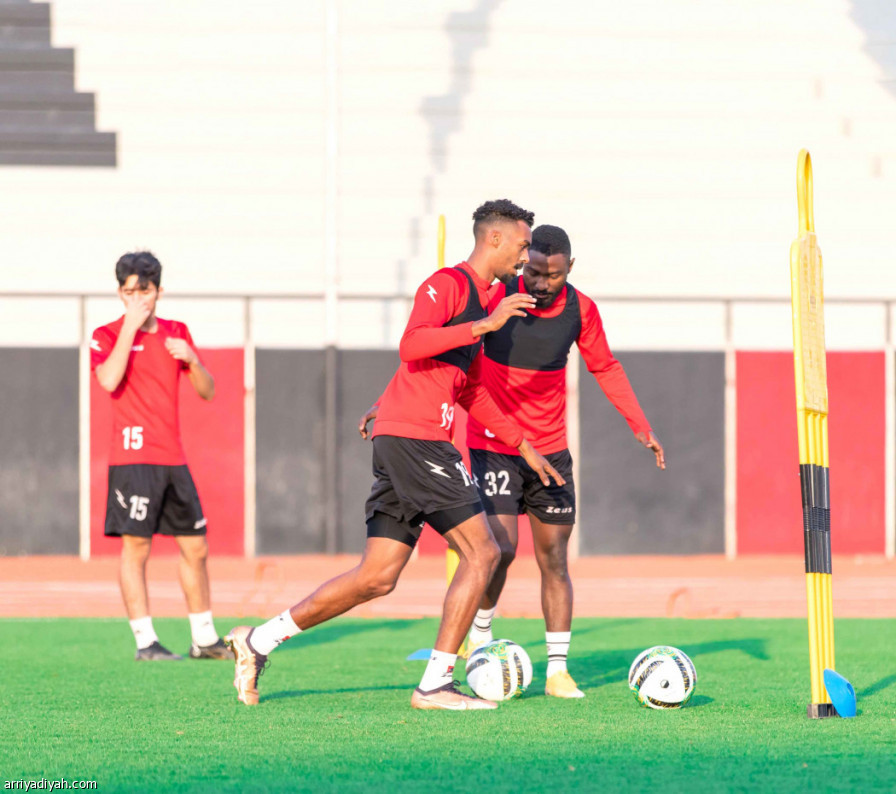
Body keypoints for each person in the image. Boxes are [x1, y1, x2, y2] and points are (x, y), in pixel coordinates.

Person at [227, 199, 565, 710]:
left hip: (409, 435)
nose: (526, 256)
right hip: (418, 440)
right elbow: (411, 345)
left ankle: (258, 641)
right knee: (485, 552)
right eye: (521, 245)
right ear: (493, 239)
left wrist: (522, 445)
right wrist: (483, 327)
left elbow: (470, 388)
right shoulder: (447, 285)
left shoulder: (490, 297)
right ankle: (435, 684)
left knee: (377, 577)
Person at [464, 224, 665, 698]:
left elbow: (605, 367)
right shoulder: (497, 296)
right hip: (494, 443)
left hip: (549, 449)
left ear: (569, 268)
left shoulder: (581, 310)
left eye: (552, 275)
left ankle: (557, 671)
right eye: (533, 271)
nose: (540, 282)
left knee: (554, 557)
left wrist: (639, 424)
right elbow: (449, 348)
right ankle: (481, 635)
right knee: (501, 548)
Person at [91, 251, 232, 661]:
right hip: (132, 460)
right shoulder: (106, 334)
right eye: (129, 292)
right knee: (137, 548)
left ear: (159, 291)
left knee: (196, 546)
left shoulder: (176, 332)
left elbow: (208, 391)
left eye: (145, 291)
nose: (137, 299)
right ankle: (145, 641)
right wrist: (130, 328)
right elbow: (108, 379)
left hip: (172, 458)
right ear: (120, 293)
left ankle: (204, 639)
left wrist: (192, 359)